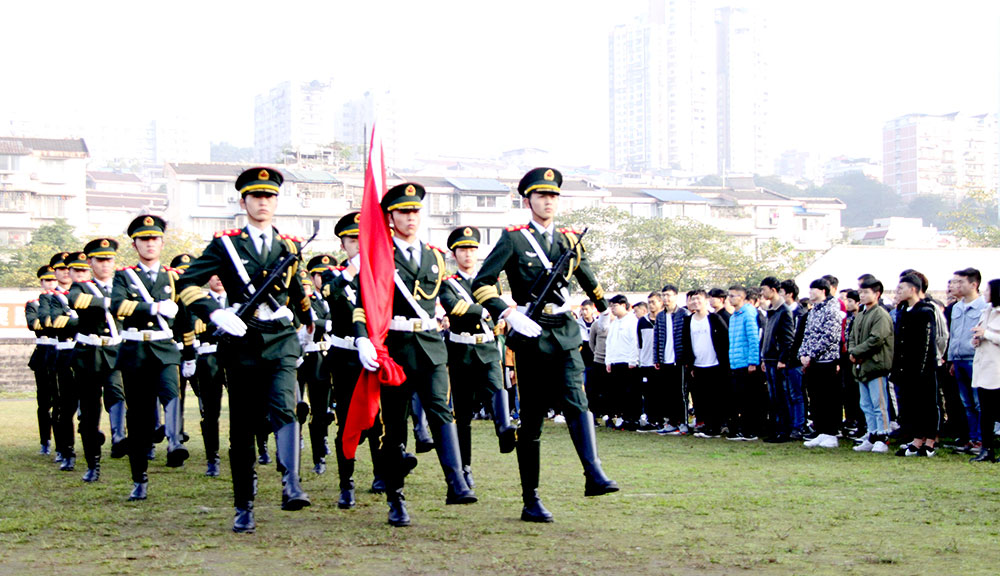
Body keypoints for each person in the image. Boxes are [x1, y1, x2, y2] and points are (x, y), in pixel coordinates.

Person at [472, 167, 618, 523]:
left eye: (553, 195)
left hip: (565, 331)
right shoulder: (513, 239)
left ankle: (593, 473)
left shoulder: (569, 240)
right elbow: (482, 283)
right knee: (533, 419)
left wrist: (602, 307)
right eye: (541, 195)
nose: (548, 201)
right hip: (531, 334)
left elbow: (587, 276)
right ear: (527, 200)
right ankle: (531, 498)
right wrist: (510, 312)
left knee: (576, 399)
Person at [175, 168, 313, 533]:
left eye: (269, 196)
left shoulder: (289, 246)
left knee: (286, 406)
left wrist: (305, 318)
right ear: (244, 202)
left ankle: (291, 483)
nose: (263, 202)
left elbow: (298, 288)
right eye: (256, 196)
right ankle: (244, 503)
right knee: (243, 427)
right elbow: (187, 284)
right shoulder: (226, 246)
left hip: (280, 338)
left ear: (276, 202)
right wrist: (215, 311)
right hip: (243, 342)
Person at [352, 182, 477, 528]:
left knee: (441, 410)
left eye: (415, 211)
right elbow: (363, 303)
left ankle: (456, 482)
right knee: (395, 426)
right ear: (390, 217)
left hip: (431, 345)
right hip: (395, 347)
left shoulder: (435, 255)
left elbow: (446, 297)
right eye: (404, 212)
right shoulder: (379, 254)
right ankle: (396, 497)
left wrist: (481, 310)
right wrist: (363, 339)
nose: (411, 217)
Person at [112, 215, 191, 501]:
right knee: (140, 417)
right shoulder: (124, 276)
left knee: (172, 395)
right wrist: (154, 308)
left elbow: (185, 319)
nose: (149, 244)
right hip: (135, 351)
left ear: (161, 242)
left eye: (154, 239)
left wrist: (190, 352)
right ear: (135, 244)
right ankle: (139, 477)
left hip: (165, 349)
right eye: (143, 240)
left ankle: (174, 441)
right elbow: (117, 305)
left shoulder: (173, 277)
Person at [439, 225, 518, 490]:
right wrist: (483, 311)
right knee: (462, 415)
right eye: (463, 249)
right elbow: (454, 307)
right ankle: (465, 467)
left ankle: (504, 429)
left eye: (472, 249)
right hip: (461, 352)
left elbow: (499, 305)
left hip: (486, 348)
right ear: (454, 253)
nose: (468, 254)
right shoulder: (448, 283)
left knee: (497, 388)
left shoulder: (491, 280)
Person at [320, 211, 386, 508]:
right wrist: (351, 272)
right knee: (347, 419)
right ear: (343, 246)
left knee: (377, 418)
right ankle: (346, 482)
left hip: (374, 354)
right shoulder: (335, 278)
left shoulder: (381, 275)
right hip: (345, 355)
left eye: (363, 240)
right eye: (351, 240)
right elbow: (333, 298)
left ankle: (380, 473)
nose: (358, 245)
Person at [66, 241, 128, 482]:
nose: (105, 264)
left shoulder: (123, 286)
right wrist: (108, 303)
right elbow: (76, 301)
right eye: (99, 260)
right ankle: (93, 463)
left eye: (109, 260)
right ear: (90, 263)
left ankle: (119, 436)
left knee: (116, 392)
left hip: (114, 351)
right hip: (88, 354)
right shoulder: (82, 286)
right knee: (90, 412)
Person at [892, 273, 940, 457]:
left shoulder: (926, 311)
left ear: (913, 289)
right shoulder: (903, 310)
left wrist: (921, 370)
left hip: (923, 370)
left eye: (901, 288)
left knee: (927, 405)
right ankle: (916, 440)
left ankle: (929, 442)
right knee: (911, 406)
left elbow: (928, 344)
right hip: (905, 368)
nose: (898, 292)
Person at [187, 273, 228, 477]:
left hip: (235, 357)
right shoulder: (199, 300)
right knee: (211, 412)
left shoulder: (239, 297)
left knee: (246, 407)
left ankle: (261, 447)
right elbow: (197, 325)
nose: (218, 278)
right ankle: (212, 457)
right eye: (213, 275)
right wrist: (225, 318)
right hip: (209, 357)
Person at [848, 278, 894, 454]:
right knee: (865, 404)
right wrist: (852, 352)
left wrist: (857, 352)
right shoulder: (861, 315)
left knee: (879, 403)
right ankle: (872, 434)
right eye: (861, 292)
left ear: (877, 294)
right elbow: (852, 337)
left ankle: (883, 436)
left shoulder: (881, 314)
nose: (863, 295)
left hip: (876, 366)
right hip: (861, 367)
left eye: (866, 292)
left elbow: (876, 339)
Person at [42, 251, 79, 471]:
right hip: (64, 353)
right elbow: (50, 322)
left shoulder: (88, 291)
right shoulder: (50, 297)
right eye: (61, 269)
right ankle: (65, 449)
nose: (66, 272)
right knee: (64, 405)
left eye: (69, 268)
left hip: (90, 351)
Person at [301, 254, 336, 475]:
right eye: (320, 275)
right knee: (312, 407)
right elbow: (311, 322)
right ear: (313, 278)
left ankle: (322, 441)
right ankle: (318, 456)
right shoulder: (308, 300)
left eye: (327, 274)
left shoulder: (337, 296)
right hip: (310, 357)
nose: (324, 279)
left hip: (330, 355)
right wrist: (331, 323)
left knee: (324, 409)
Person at [798, 278, 842, 449]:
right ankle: (821, 430)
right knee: (815, 398)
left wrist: (812, 354)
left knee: (827, 398)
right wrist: (803, 354)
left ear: (823, 291)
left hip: (826, 361)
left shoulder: (832, 308)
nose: (810, 294)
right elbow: (806, 334)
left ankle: (830, 433)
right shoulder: (814, 310)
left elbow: (830, 336)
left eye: (813, 290)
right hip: (812, 362)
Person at [948, 268, 987, 454]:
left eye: (960, 282)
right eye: (954, 282)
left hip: (975, 359)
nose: (956, 286)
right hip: (958, 359)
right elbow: (953, 334)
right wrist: (951, 360)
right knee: (967, 403)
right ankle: (972, 438)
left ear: (974, 284)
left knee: (979, 402)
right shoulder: (956, 307)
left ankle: (981, 440)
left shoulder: (984, 307)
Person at [681, 289, 729, 438]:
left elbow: (725, 339)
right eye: (692, 299)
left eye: (699, 299)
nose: (696, 302)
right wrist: (690, 364)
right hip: (698, 365)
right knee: (701, 398)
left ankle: (716, 427)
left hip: (715, 364)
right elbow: (686, 343)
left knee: (715, 397)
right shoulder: (688, 320)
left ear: (705, 300)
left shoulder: (714, 318)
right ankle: (706, 426)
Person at [26, 264, 59, 456]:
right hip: (44, 354)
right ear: (41, 282)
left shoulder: (65, 300)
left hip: (63, 352)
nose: (51, 284)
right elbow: (34, 324)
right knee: (45, 402)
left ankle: (62, 442)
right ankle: (45, 440)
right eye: (47, 280)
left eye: (53, 280)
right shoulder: (35, 303)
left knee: (62, 401)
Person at [760, 277, 794, 443]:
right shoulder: (771, 311)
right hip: (769, 358)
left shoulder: (783, 311)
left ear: (773, 290)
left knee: (781, 396)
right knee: (773, 397)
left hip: (777, 360)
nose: (762, 293)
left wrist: (783, 359)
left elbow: (788, 339)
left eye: (764, 290)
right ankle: (775, 430)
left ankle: (784, 431)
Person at [970, 278, 1000, 462]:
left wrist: (986, 335)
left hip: (997, 370)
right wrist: (975, 340)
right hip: (983, 368)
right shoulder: (985, 312)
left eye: (988, 289)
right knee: (986, 413)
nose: (985, 292)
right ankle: (987, 449)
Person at [727, 285, 761, 441]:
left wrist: (753, 361)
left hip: (746, 363)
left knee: (749, 399)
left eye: (733, 296)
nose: (730, 299)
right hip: (735, 362)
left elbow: (753, 338)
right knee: (738, 398)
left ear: (742, 297)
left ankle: (750, 430)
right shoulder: (734, 316)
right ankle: (741, 428)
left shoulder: (748, 313)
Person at [654, 285, 688, 435]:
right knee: (667, 393)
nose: (666, 299)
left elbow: (687, 338)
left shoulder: (683, 314)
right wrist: (656, 358)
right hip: (664, 360)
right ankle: (671, 422)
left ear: (675, 296)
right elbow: (657, 338)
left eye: (669, 295)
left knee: (680, 393)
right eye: (664, 295)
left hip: (678, 360)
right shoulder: (660, 316)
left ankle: (684, 422)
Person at [605, 294, 639, 430]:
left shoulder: (632, 321)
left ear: (624, 305)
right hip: (615, 362)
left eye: (615, 306)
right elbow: (609, 343)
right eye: (611, 306)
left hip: (627, 362)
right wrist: (608, 361)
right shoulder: (614, 323)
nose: (612, 309)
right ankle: (619, 417)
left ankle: (631, 418)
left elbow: (634, 342)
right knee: (616, 392)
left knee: (629, 393)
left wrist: (633, 360)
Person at [781, 280, 808, 438]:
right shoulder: (780, 311)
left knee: (797, 394)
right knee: (787, 393)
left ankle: (799, 425)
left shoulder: (800, 314)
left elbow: (797, 339)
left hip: (795, 361)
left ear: (790, 294)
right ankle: (790, 424)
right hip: (783, 360)